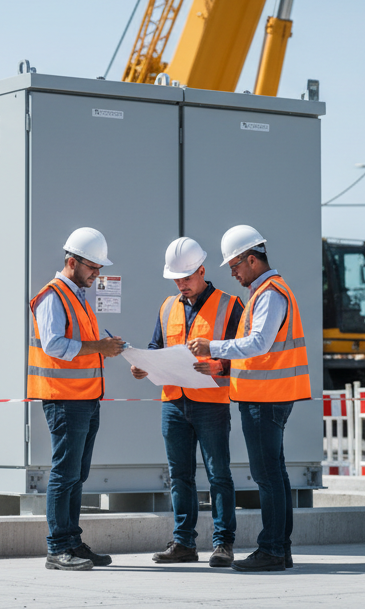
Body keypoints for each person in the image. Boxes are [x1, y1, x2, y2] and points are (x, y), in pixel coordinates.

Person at [187, 225, 310, 572]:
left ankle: (271, 550)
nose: (233, 273)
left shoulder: (269, 294)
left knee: (267, 476)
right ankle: (280, 548)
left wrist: (213, 346)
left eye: (235, 266)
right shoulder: (266, 292)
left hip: (265, 399)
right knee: (275, 474)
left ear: (252, 259)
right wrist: (222, 362)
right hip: (268, 396)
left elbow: (259, 343)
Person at [129, 237, 244, 568]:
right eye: (176, 279)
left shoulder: (230, 305)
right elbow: (156, 347)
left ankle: (223, 544)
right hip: (173, 402)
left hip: (211, 403)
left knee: (218, 474)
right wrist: (143, 365)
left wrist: (218, 366)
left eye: (187, 278)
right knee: (179, 475)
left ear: (202, 271)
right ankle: (183, 543)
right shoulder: (167, 306)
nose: (181, 284)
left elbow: (244, 353)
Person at [29, 227, 126, 571]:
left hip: (85, 398)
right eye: (92, 267)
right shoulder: (52, 296)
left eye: (99, 268)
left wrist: (104, 347)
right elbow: (54, 344)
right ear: (72, 262)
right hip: (64, 399)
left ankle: (71, 541)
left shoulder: (77, 297)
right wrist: (99, 347)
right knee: (65, 473)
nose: (97, 274)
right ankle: (57, 548)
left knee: (76, 474)